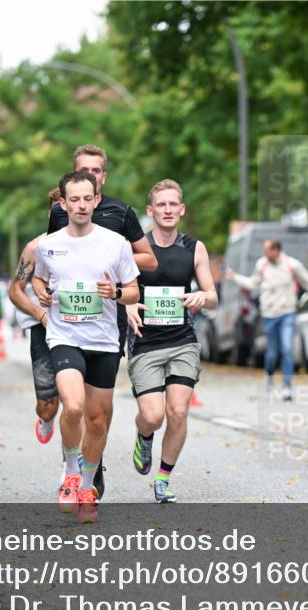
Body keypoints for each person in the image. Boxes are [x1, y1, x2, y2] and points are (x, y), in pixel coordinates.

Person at [33, 171, 140, 524]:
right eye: (73, 199)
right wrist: (39, 291)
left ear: (96, 200)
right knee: (74, 406)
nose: (81, 205)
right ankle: (69, 475)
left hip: (105, 341)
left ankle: (87, 487)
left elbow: (134, 291)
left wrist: (117, 294)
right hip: (65, 336)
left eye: (87, 199)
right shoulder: (49, 244)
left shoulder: (116, 243)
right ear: (63, 203)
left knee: (97, 420)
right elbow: (38, 276)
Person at [126, 180, 217, 503]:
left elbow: (213, 296)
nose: (167, 210)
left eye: (172, 204)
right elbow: (118, 289)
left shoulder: (195, 248)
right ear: (150, 212)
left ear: (181, 210)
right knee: (153, 415)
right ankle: (144, 434)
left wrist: (200, 298)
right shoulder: (136, 249)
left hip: (183, 341)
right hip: (145, 341)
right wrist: (126, 306)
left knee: (177, 411)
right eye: (160, 205)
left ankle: (163, 478)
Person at [226, 238, 308, 401]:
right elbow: (252, 283)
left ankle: (287, 387)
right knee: (272, 353)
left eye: (268, 250)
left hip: (287, 313)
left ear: (276, 250)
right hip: (269, 315)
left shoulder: (292, 265)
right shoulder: (262, 265)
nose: (265, 253)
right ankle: (269, 376)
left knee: (287, 349)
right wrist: (235, 277)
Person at [8, 187, 61, 447]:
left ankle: (75, 467)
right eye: (57, 208)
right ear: (50, 213)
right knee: (48, 406)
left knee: (80, 403)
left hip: (82, 328)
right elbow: (14, 291)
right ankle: (46, 419)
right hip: (45, 330)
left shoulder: (95, 244)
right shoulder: (35, 247)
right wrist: (40, 315)